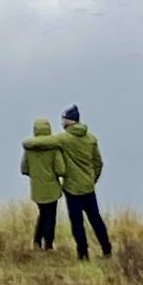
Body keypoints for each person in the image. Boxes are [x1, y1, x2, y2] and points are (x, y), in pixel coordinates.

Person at [26, 104, 110, 260]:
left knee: (77, 223)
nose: (61, 122)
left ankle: (83, 254)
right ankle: (107, 250)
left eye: (63, 120)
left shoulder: (63, 139)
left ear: (68, 121)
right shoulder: (91, 139)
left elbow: (43, 142)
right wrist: (92, 179)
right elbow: (98, 163)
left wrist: (27, 144)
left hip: (72, 188)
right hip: (88, 187)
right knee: (96, 219)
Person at [21, 118, 66, 250]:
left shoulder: (29, 149)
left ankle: (36, 242)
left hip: (36, 188)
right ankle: (48, 245)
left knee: (43, 214)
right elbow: (61, 170)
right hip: (51, 188)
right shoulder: (54, 149)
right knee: (50, 216)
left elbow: (24, 169)